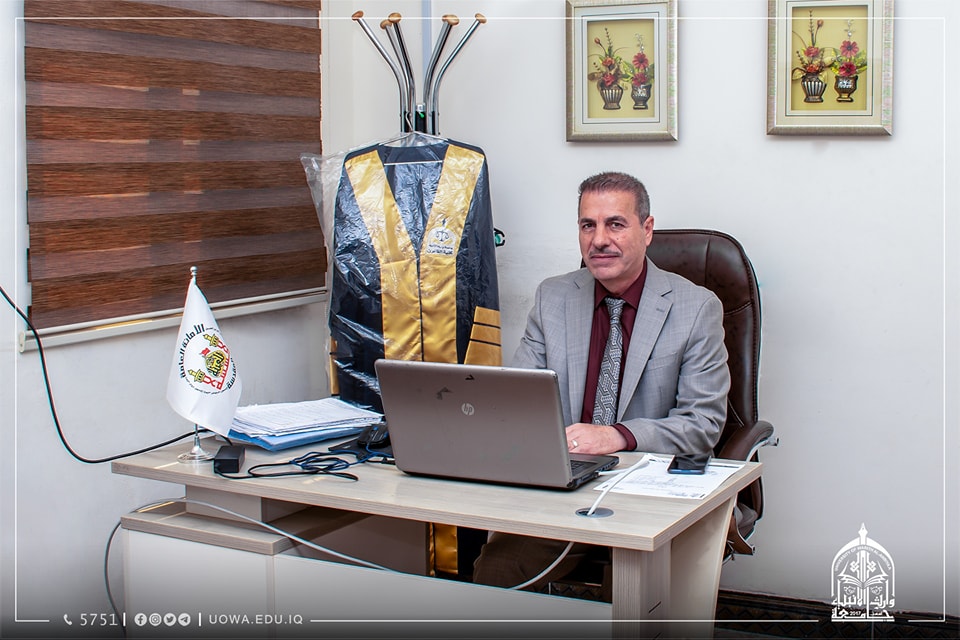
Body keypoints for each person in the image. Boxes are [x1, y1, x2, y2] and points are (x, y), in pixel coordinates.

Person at [472, 171, 730, 591]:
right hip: (565, 486)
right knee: (497, 571)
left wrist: (616, 436)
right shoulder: (553, 298)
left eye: (615, 224)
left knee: (635, 596)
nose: (599, 239)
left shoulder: (695, 308)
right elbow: (518, 403)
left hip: (650, 489)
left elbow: (702, 425)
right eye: (587, 225)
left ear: (647, 229)